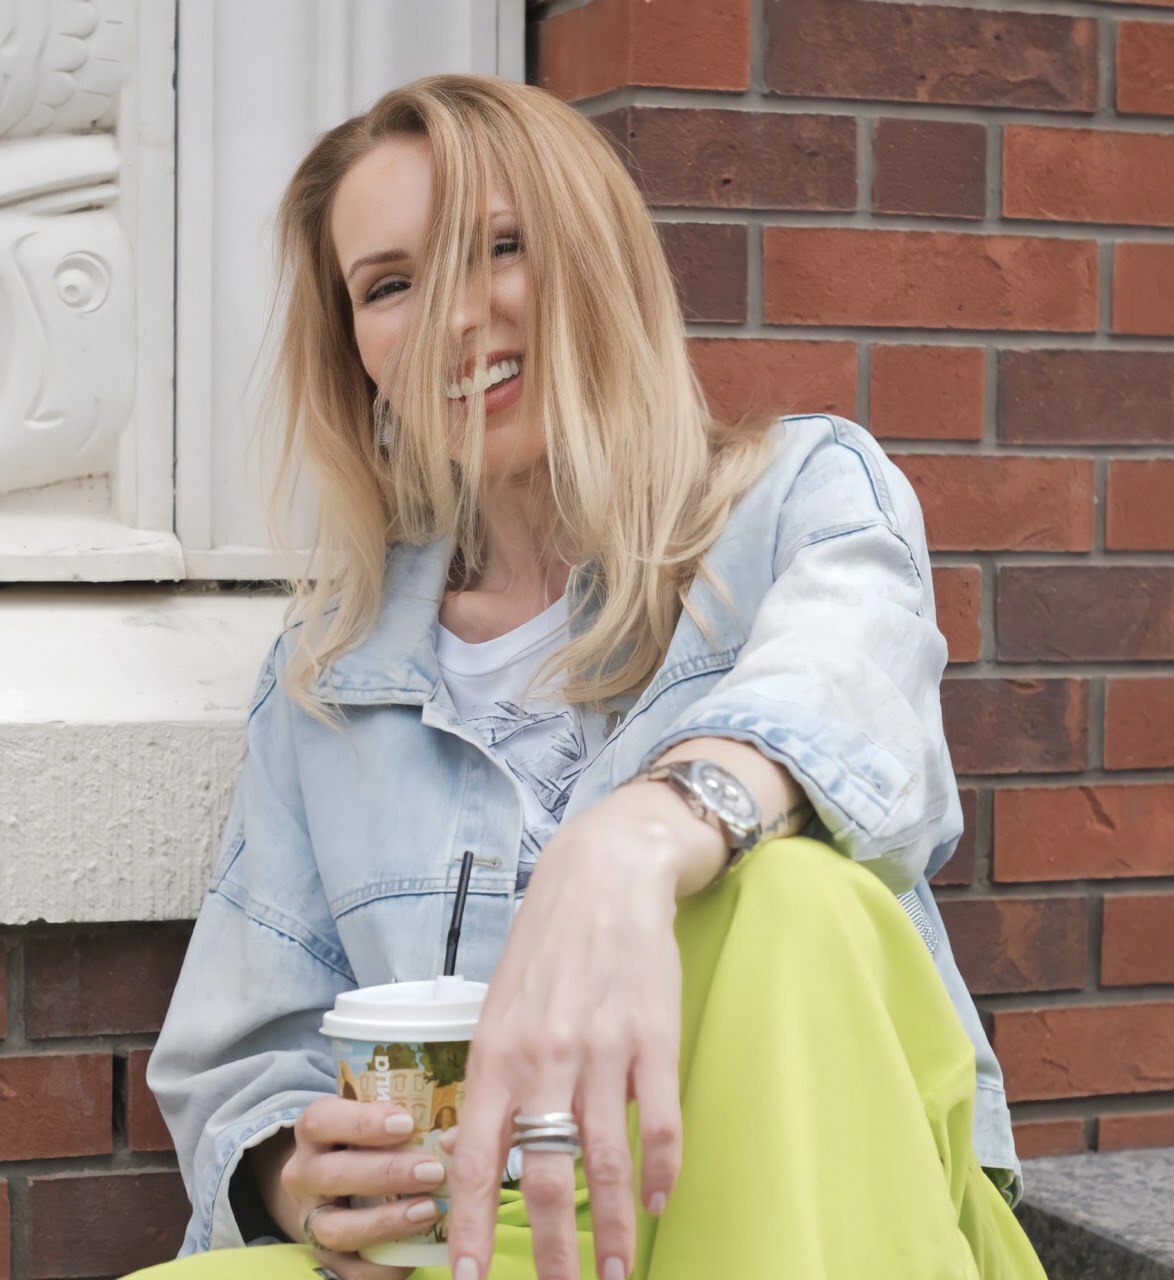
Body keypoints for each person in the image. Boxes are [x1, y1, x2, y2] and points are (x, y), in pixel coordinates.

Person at [141, 73, 1047, 1280]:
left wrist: (647, 832)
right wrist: (300, 1177)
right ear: (355, 349)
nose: (452, 318)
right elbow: (242, 1050)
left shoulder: (801, 498)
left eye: (498, 247)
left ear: (594, 253)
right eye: (390, 285)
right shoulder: (330, 672)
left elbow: (852, 694)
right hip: (488, 1232)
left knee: (794, 895)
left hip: (801, 1169)